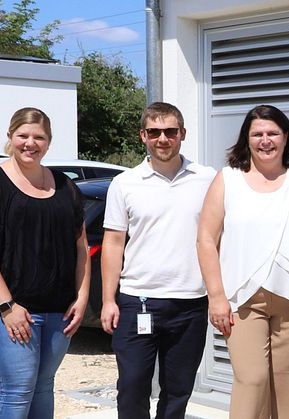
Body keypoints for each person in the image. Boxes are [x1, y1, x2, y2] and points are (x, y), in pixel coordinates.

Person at [197, 104, 289, 419]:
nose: (265, 140)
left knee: (288, 380)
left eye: (272, 133)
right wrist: (216, 296)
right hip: (242, 303)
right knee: (252, 379)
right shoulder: (227, 180)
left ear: (286, 137)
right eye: (257, 134)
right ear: (247, 139)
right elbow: (205, 239)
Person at [0, 107, 90, 419]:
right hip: (5, 310)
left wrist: (82, 297)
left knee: (43, 385)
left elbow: (81, 246)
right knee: (17, 390)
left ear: (49, 142)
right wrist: (8, 306)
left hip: (59, 309)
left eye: (39, 137)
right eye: (23, 135)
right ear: (10, 137)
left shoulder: (65, 186)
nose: (30, 143)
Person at [100, 102, 215, 419]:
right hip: (138, 301)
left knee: (178, 390)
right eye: (154, 132)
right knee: (133, 386)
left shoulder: (208, 178)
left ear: (182, 134)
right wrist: (108, 300)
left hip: (190, 302)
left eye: (170, 131)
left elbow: (222, 237)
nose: (162, 138)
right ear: (143, 136)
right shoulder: (125, 183)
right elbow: (112, 242)